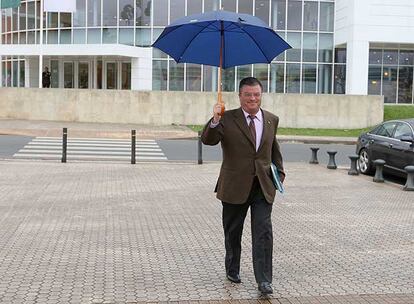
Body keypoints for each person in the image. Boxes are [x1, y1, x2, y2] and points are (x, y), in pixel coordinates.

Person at [201, 77, 285, 295]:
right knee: (232, 233)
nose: (252, 98)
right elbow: (208, 140)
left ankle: (264, 280)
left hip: (262, 187)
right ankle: (232, 267)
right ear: (240, 96)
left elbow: (274, 151)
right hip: (234, 186)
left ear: (261, 95)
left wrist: (279, 177)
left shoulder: (271, 120)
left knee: (263, 234)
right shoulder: (227, 119)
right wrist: (215, 118)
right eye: (248, 94)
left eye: (256, 94)